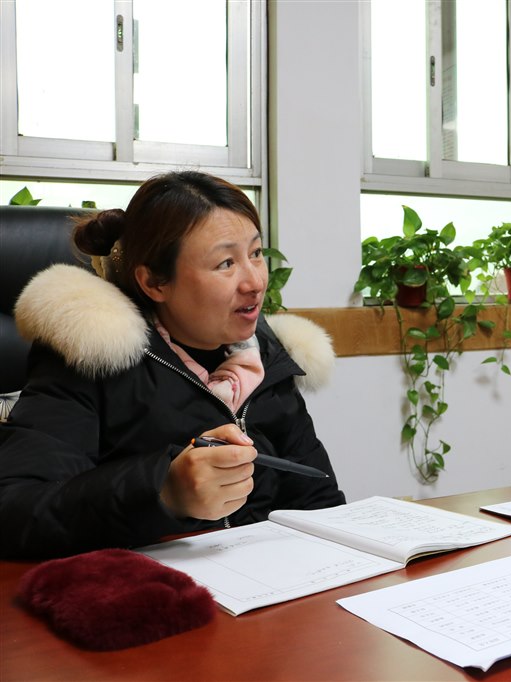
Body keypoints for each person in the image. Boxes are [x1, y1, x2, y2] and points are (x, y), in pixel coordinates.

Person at [0, 171, 344, 559]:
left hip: (267, 581)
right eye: (226, 263)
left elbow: (319, 503)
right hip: (149, 585)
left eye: (255, 254)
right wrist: (163, 491)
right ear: (154, 283)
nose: (254, 282)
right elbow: (16, 511)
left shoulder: (264, 357)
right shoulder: (88, 357)